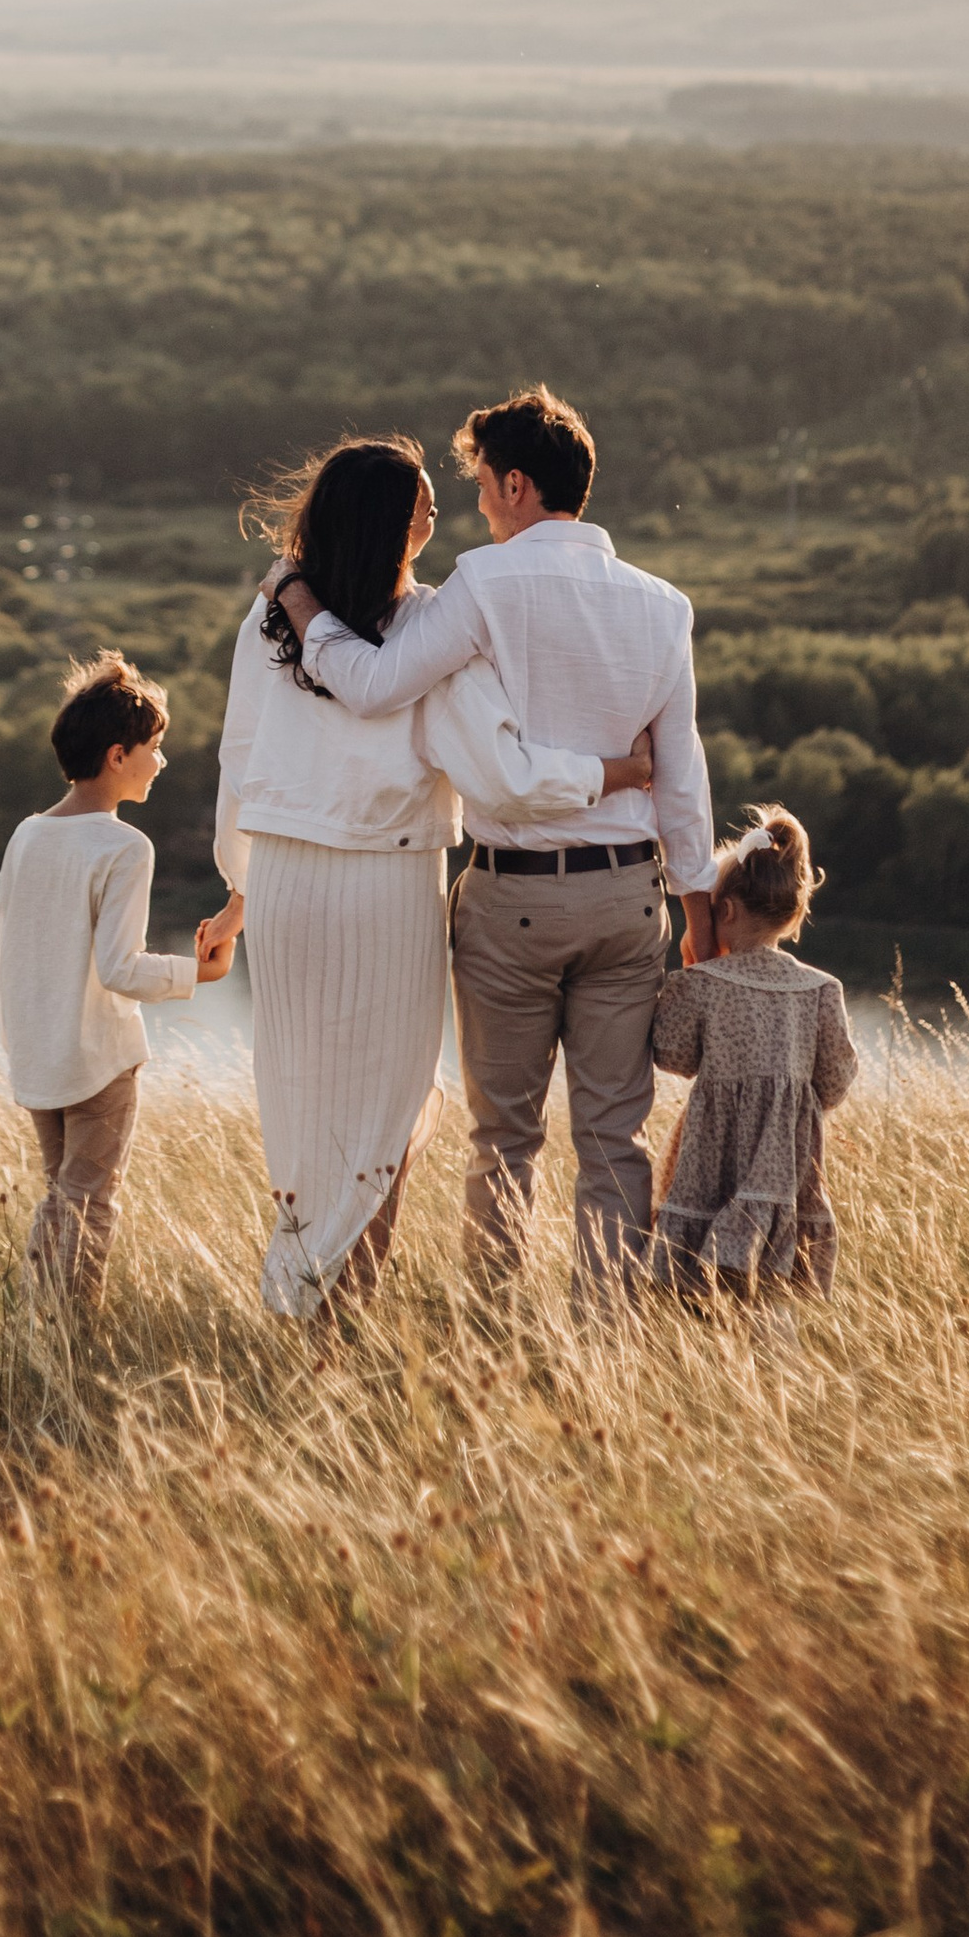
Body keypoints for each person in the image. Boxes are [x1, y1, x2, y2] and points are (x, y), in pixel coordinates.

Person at [268, 383, 712, 1299]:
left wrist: (301, 604)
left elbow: (379, 683)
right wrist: (697, 913)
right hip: (632, 895)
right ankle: (610, 1336)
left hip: (513, 895)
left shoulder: (482, 584)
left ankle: (499, 1331)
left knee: (503, 1137)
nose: (472, 502)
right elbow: (684, 775)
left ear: (517, 485)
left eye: (476, 483)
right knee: (613, 1136)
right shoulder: (665, 607)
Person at [0, 649, 242, 1311]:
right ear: (116, 756)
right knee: (89, 1207)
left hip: (38, 1057)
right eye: (153, 747)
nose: (160, 761)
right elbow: (121, 969)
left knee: (62, 1199)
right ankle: (70, 1344)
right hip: (98, 1061)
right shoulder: (124, 846)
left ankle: (38, 1333)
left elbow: (19, 954)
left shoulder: (25, 836)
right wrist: (202, 972)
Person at [649, 805, 858, 1309]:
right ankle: (773, 1375)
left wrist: (689, 965)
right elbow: (834, 1084)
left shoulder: (704, 983)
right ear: (791, 915)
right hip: (784, 1169)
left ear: (725, 912)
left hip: (709, 1160)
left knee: (688, 1290)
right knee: (769, 1294)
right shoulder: (821, 990)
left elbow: (670, 1053)